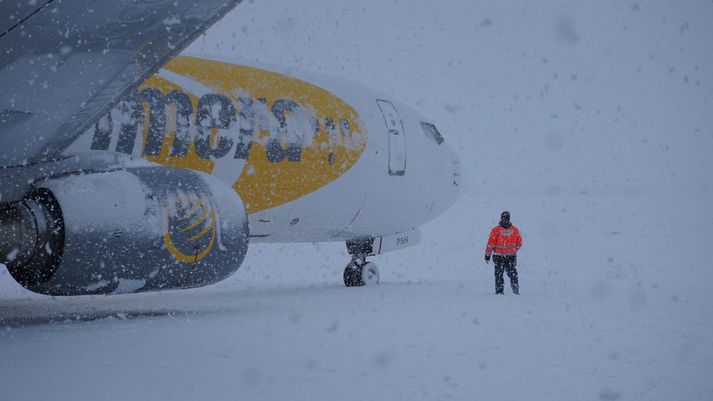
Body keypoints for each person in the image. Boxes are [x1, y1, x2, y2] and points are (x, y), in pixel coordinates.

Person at [484, 211, 522, 295]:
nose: (505, 219)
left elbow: (490, 244)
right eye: (505, 218)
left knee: (499, 275)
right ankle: (515, 290)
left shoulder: (496, 230)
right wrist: (512, 250)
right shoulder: (515, 230)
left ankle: (499, 292)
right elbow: (519, 243)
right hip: (510, 257)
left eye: (506, 218)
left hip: (499, 256)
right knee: (512, 274)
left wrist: (488, 254)